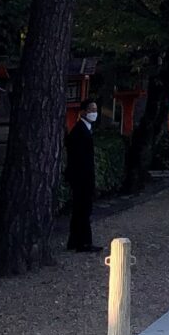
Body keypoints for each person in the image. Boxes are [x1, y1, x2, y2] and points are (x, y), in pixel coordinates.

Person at [64, 103, 99, 251]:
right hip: (81, 177)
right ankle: (83, 242)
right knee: (83, 209)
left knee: (80, 209)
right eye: (91, 110)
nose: (94, 113)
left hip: (82, 176)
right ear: (83, 112)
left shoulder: (84, 130)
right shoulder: (79, 131)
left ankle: (75, 240)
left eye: (95, 110)